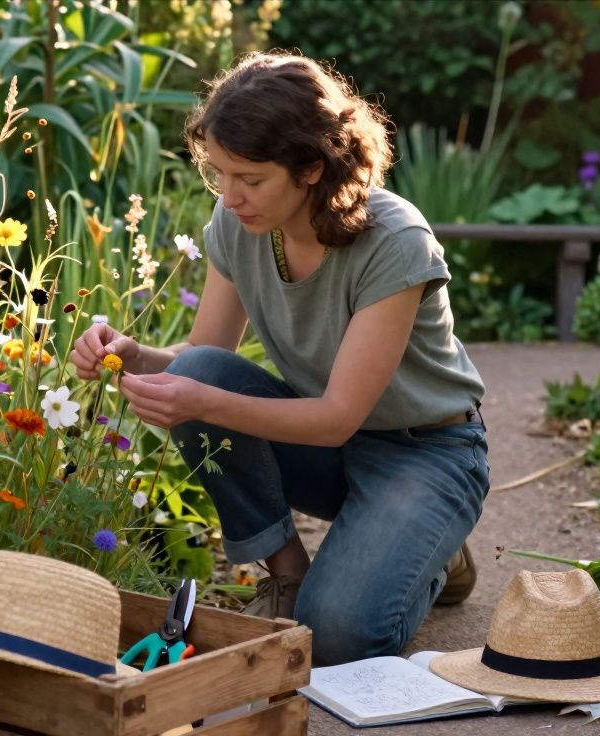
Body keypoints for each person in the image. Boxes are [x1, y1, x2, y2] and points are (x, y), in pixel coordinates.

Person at [70, 51, 489, 667]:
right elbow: (202, 358)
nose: (230, 196)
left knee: (338, 640)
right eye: (219, 173)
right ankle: (287, 571)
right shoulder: (239, 223)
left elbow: (338, 415)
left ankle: (432, 543)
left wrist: (199, 398)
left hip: (426, 451)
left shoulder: (394, 241)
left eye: (251, 178)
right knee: (198, 373)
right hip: (328, 453)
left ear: (312, 168)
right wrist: (136, 357)